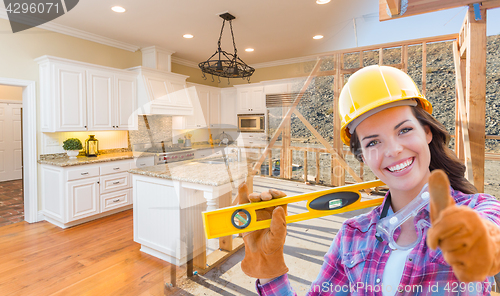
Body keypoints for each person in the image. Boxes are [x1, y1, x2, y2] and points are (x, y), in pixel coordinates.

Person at [237, 65, 500, 295]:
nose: (393, 150)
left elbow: (492, 232)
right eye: (373, 141)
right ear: (362, 155)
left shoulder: (477, 209)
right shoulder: (352, 236)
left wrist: (478, 241)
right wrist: (270, 272)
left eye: (405, 130)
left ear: (427, 132)